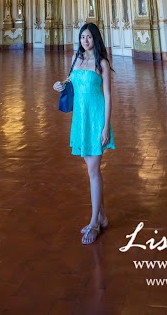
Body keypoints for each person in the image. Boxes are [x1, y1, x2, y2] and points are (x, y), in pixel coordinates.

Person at [53, 23, 115, 245]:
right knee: (92, 170)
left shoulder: (102, 63)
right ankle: (102, 217)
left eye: (89, 37)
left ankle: (94, 223)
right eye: (82, 37)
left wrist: (106, 127)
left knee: (93, 171)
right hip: (80, 120)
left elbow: (108, 96)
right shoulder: (75, 59)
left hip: (96, 120)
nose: (85, 41)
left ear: (95, 39)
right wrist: (60, 85)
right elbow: (71, 82)